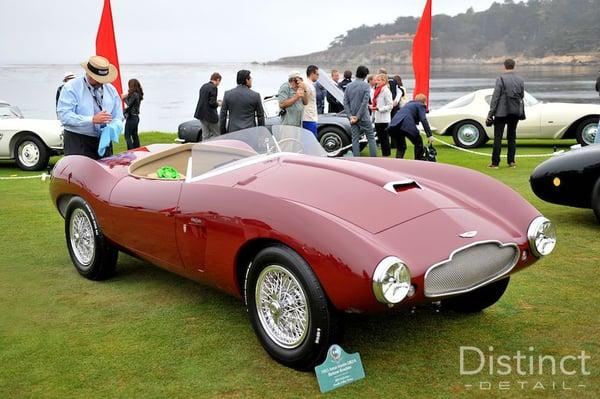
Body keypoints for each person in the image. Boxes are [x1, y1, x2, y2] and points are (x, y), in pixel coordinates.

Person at [57, 55, 123, 159]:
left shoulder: (111, 90)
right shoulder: (71, 88)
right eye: (98, 79)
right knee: (79, 174)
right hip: (78, 140)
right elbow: (64, 116)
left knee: (104, 174)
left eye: (104, 79)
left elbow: (118, 116)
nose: (101, 82)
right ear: (89, 74)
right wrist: (91, 119)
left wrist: (113, 127)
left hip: (103, 141)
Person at [486, 58, 525, 169]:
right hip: (514, 111)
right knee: (512, 137)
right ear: (514, 66)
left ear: (504, 66)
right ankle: (511, 162)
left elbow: (495, 97)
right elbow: (522, 96)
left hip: (501, 112)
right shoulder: (520, 80)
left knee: (498, 137)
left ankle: (495, 163)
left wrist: (490, 113)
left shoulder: (500, 79)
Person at [343, 65, 377, 157]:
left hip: (352, 117)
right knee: (371, 137)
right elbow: (364, 103)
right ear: (365, 76)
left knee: (355, 138)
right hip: (363, 117)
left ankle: (356, 159)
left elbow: (345, 103)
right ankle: (374, 159)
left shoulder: (349, 86)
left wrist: (351, 116)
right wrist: (357, 117)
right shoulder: (366, 86)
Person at [388, 93, 434, 160]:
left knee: (401, 147)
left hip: (393, 126)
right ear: (424, 102)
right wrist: (429, 135)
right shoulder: (420, 105)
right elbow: (423, 119)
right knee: (419, 143)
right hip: (406, 125)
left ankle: (397, 163)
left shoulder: (408, 104)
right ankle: (418, 161)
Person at [370, 73, 393, 156]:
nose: (376, 82)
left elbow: (390, 105)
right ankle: (385, 155)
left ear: (384, 81)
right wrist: (373, 106)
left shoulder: (386, 91)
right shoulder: (377, 90)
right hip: (377, 118)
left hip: (384, 119)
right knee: (381, 138)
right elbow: (377, 103)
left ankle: (386, 155)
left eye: (378, 80)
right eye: (376, 80)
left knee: (384, 139)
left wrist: (378, 109)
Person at [194, 72, 222, 141]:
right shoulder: (214, 87)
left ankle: (205, 150)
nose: (219, 83)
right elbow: (212, 103)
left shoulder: (203, 86)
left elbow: (205, 100)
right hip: (210, 116)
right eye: (219, 81)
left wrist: (216, 101)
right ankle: (216, 150)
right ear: (217, 80)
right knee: (217, 135)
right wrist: (219, 104)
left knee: (205, 136)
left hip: (201, 115)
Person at [122, 78, 144, 150]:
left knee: (127, 135)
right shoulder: (137, 94)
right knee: (134, 135)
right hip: (136, 118)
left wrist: (123, 98)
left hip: (131, 118)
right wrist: (127, 96)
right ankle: (137, 149)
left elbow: (129, 104)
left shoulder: (134, 95)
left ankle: (131, 151)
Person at [302, 65, 319, 137]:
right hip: (308, 118)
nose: (318, 76)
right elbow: (303, 100)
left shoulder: (310, 84)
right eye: (317, 74)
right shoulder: (306, 85)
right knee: (311, 140)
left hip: (311, 117)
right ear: (312, 74)